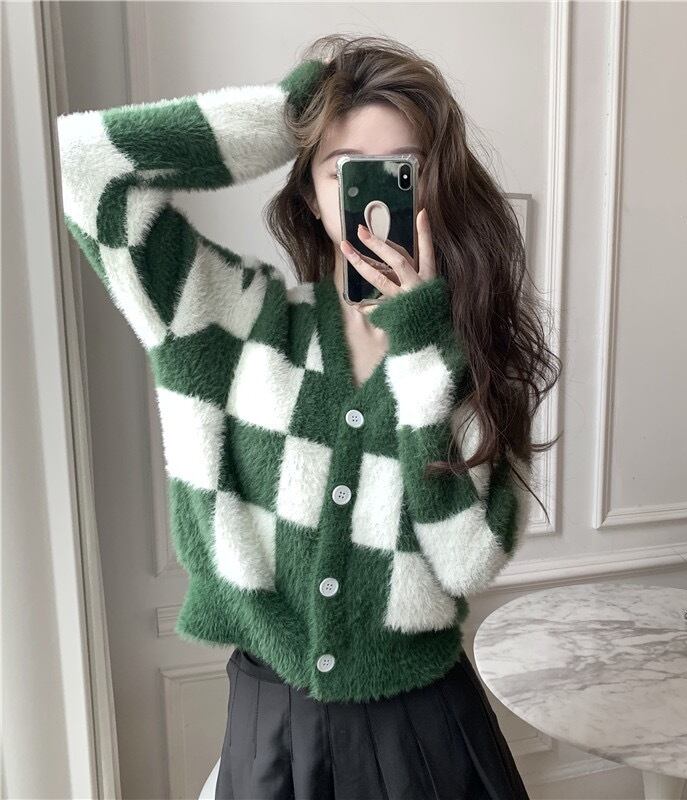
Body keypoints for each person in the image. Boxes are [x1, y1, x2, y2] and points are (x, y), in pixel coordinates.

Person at [56, 31, 560, 800]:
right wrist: (285, 113)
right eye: (344, 170)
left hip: (422, 735)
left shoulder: (474, 357)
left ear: (435, 185)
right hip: (270, 728)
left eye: (401, 169)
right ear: (311, 192)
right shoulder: (231, 320)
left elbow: (466, 562)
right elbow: (84, 163)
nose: (374, 197)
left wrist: (422, 356)